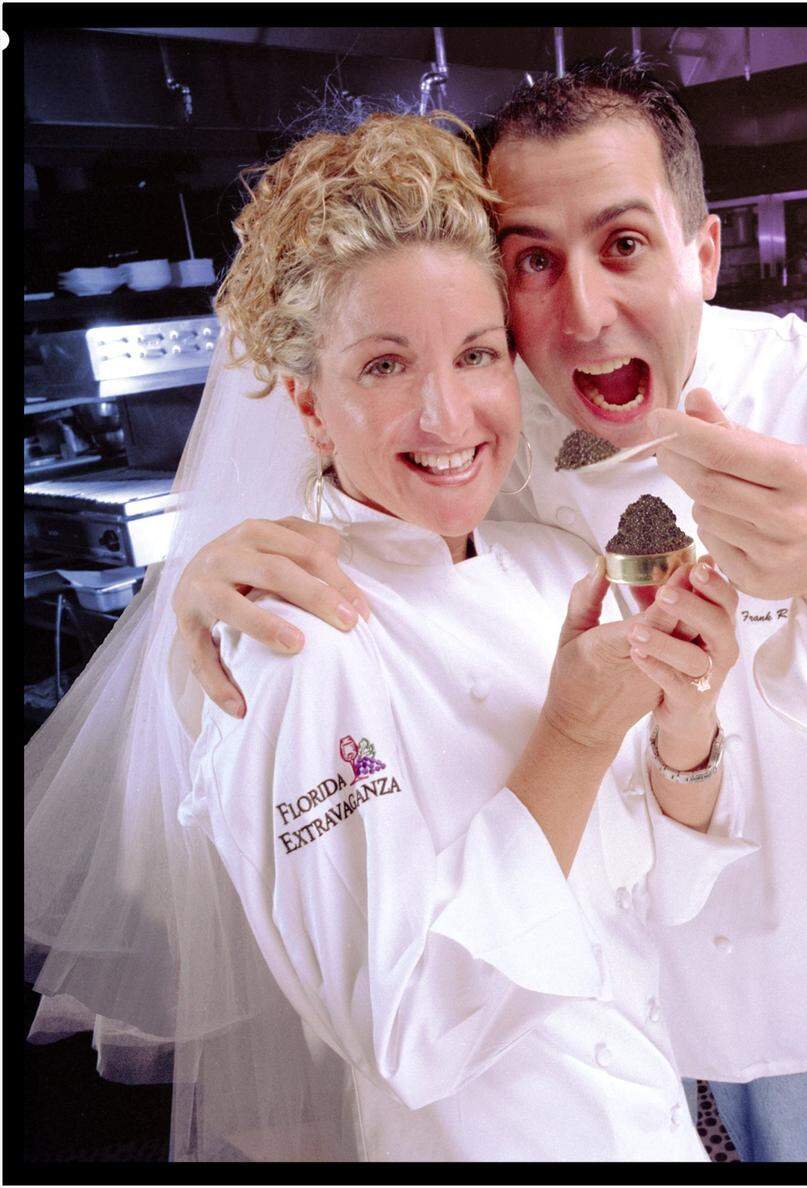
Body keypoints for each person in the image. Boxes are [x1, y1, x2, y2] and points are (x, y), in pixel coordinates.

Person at [170, 60, 807, 1162]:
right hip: (591, 984)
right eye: (533, 260)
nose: (580, 312)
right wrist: (203, 583)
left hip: (794, 942)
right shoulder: (490, 417)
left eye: (623, 244)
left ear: (702, 252)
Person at [25, 112, 755, 1162]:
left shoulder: (552, 570)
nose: (450, 416)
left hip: (646, 1113)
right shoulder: (287, 641)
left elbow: (662, 895)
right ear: (308, 405)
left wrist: (687, 726)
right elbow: (408, 1032)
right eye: (384, 366)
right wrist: (576, 739)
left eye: (477, 353)